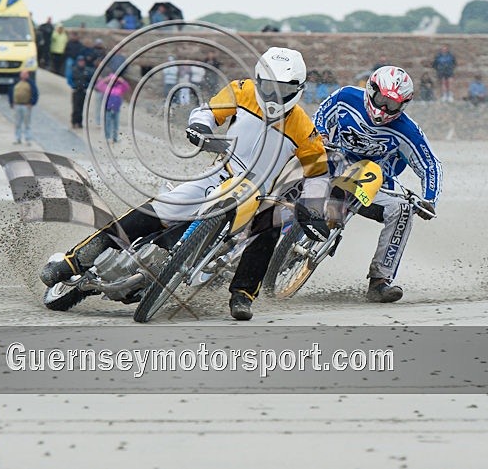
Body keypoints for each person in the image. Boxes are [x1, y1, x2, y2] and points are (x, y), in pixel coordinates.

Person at [40, 47, 330, 321]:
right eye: (268, 86)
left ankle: (242, 296)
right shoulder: (241, 91)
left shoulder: (305, 129)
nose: (274, 95)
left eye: (283, 90)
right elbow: (208, 111)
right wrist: (200, 127)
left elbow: (318, 173)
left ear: (298, 88)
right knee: (157, 210)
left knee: (270, 226)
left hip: (257, 195)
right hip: (220, 174)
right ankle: (73, 261)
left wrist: (314, 207)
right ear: (257, 80)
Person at [311, 65, 443, 303]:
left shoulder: (408, 131)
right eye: (382, 100)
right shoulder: (345, 97)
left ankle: (380, 281)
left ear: (403, 105)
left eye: (392, 105)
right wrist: (322, 134)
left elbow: (430, 165)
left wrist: (430, 199)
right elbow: (320, 115)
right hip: (332, 162)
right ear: (371, 90)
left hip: (371, 185)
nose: (383, 109)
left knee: (402, 209)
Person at [94, 70, 130, 143]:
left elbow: (127, 87)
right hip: (108, 109)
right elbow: (99, 85)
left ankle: (115, 138)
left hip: (116, 109)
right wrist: (106, 79)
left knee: (116, 124)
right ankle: (107, 137)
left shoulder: (120, 87)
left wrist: (121, 80)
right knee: (108, 123)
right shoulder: (106, 87)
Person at [8, 70, 38, 144]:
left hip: (26, 105)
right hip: (17, 105)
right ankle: (17, 138)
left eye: (25, 74)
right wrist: (11, 102)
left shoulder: (31, 83)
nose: (24, 75)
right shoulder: (16, 82)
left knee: (27, 123)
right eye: (22, 74)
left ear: (28, 75)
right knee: (17, 123)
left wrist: (32, 103)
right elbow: (11, 92)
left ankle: (28, 139)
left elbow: (35, 93)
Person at [69, 55, 93, 129]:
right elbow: (70, 79)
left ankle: (79, 122)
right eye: (80, 61)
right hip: (76, 91)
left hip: (83, 91)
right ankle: (74, 122)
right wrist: (73, 86)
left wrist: (86, 86)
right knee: (75, 107)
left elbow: (90, 80)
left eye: (82, 61)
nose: (81, 63)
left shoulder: (87, 70)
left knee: (81, 107)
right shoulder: (74, 70)